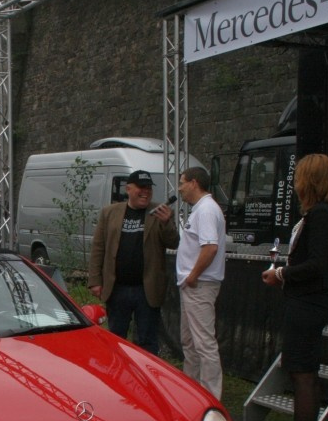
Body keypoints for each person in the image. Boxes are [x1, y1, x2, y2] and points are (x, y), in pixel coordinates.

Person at [261, 154, 328, 421]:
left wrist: (281, 273)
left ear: (308, 180)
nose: (295, 184)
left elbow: (316, 264)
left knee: (303, 378)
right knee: (301, 375)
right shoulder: (321, 214)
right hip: (306, 301)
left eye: (299, 177)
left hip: (308, 303)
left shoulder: (321, 215)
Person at [88, 170, 179, 355]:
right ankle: (117, 369)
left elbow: (174, 243)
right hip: (117, 288)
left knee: (147, 340)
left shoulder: (159, 212)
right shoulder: (109, 212)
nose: (145, 192)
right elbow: (98, 247)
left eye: (149, 188)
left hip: (147, 289)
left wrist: (166, 223)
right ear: (128, 189)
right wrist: (95, 280)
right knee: (116, 338)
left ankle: (145, 371)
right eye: (141, 188)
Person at [176, 166, 227, 399]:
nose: (179, 188)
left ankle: (210, 397)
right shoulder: (201, 209)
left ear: (194, 183)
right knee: (190, 342)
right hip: (193, 285)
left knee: (204, 343)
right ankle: (191, 391)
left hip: (200, 285)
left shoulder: (206, 209)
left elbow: (210, 248)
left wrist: (193, 275)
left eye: (182, 183)